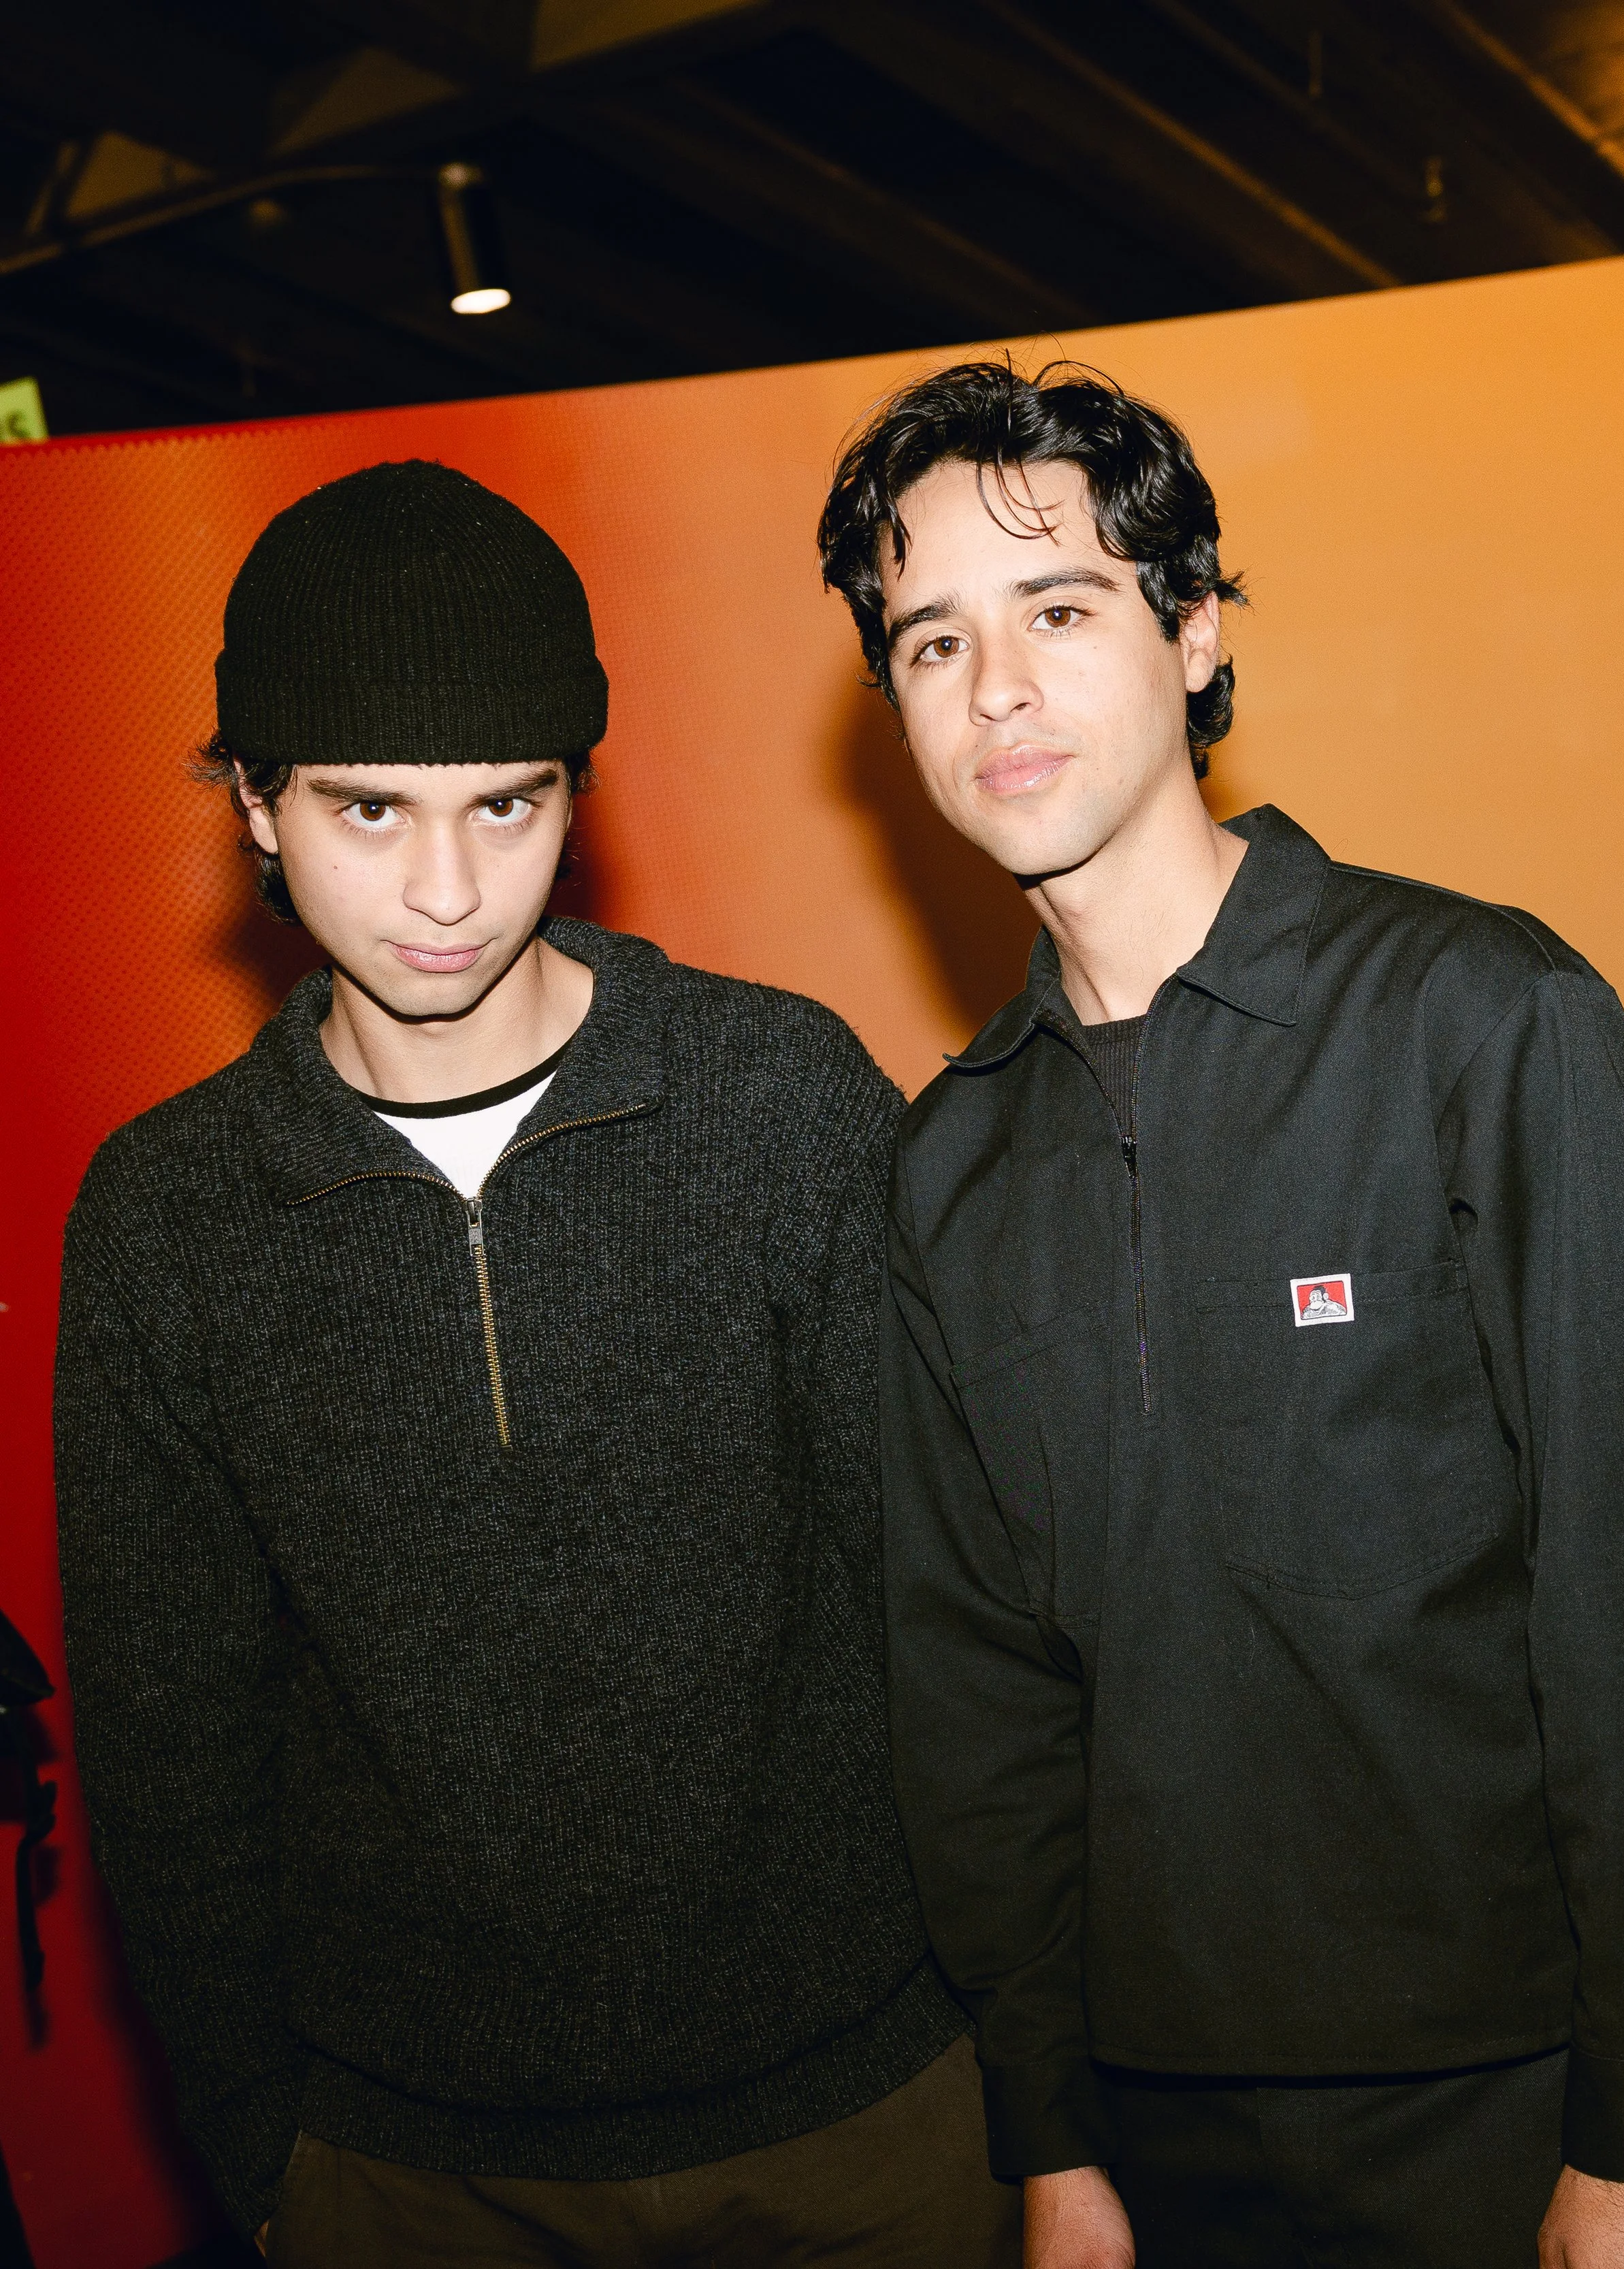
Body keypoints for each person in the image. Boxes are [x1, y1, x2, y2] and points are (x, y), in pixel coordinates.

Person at [54, 460, 1020, 2268]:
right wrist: (263, 2162)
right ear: (253, 801)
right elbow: (170, 1747)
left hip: (867, 2122)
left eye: (506, 804)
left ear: (574, 794)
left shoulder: (780, 1102)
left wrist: (1034, 2092)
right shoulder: (171, 1217)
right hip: (406, 2174)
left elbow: (967, 1625)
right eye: (367, 809)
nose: (444, 886)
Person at [816, 361, 1624, 2268]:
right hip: (1144, 2142)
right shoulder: (947, 1170)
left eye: (1058, 611)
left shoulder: (1482, 1018)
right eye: (928, 642)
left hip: (1516, 2102)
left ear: (1193, 630)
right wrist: (1048, 2143)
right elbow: (977, 1707)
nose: (995, 693)